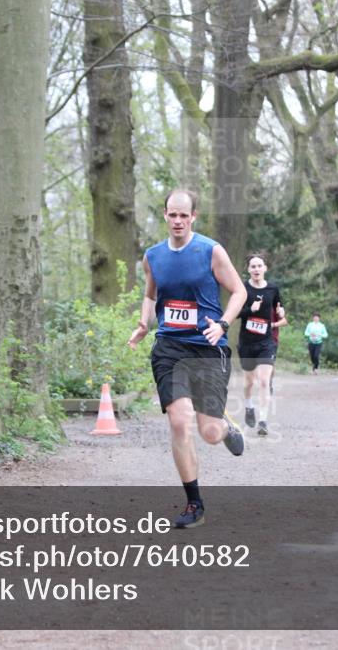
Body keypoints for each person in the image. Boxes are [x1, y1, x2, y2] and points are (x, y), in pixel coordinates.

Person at [127, 189, 248, 529]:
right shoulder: (153, 256)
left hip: (208, 347)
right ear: (164, 216)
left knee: (207, 432)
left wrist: (223, 323)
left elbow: (239, 291)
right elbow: (151, 295)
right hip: (169, 347)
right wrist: (142, 323)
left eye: (184, 215)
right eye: (172, 215)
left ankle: (225, 427)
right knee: (179, 421)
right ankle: (194, 504)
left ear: (193, 216)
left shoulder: (211, 251)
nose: (178, 221)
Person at [237, 253, 286, 435]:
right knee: (249, 382)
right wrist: (251, 310)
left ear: (265, 268)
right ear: (248, 270)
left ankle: (263, 421)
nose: (256, 269)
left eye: (259, 266)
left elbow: (279, 309)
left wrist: (281, 312)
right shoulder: (242, 289)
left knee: (264, 381)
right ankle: (249, 406)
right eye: (253, 266)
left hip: (266, 341)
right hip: (247, 342)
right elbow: (234, 314)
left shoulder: (273, 289)